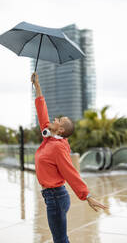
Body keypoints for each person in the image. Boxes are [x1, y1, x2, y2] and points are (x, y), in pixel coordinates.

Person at [31, 72, 108, 243]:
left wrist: (87, 196)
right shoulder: (50, 137)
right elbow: (43, 114)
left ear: (61, 131)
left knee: (60, 240)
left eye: (60, 120)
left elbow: (70, 172)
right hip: (52, 195)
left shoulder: (58, 147)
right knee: (60, 238)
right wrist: (37, 86)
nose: (56, 118)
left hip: (56, 197)